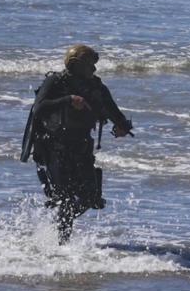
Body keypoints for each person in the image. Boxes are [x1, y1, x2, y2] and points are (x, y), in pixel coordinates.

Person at [28, 44, 133, 244]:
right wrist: (68, 99)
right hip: (55, 148)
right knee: (66, 198)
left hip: (83, 148)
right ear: (75, 65)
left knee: (90, 199)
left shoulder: (96, 87)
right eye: (89, 66)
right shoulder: (55, 82)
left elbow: (113, 112)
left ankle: (60, 224)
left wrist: (122, 128)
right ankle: (63, 246)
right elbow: (38, 108)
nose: (93, 70)